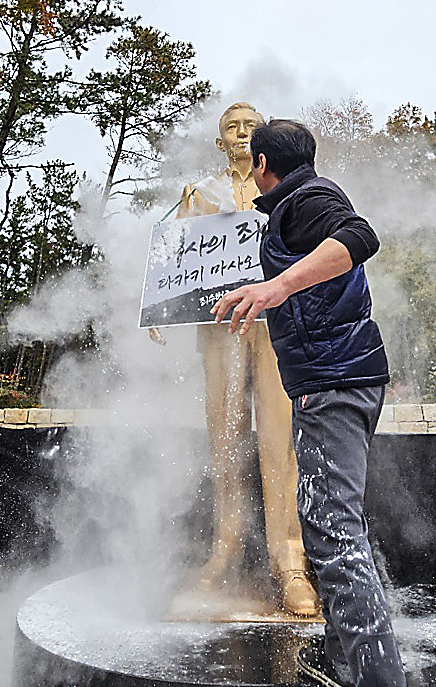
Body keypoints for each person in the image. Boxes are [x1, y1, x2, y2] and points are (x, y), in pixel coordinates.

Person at [211, 119, 406, 687]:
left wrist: (274, 288)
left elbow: (359, 237)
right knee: (329, 528)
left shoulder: (309, 197)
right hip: (331, 381)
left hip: (335, 381)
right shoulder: (288, 209)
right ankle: (350, 667)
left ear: (262, 164)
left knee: (334, 533)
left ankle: (376, 679)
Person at [177, 103, 319, 616]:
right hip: (219, 329)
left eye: (248, 126)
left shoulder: (286, 191)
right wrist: (156, 312)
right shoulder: (198, 195)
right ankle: (225, 548)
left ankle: (290, 560)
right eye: (230, 127)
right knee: (225, 439)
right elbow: (174, 264)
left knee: (281, 443)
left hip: (275, 326)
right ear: (219, 143)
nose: (240, 133)